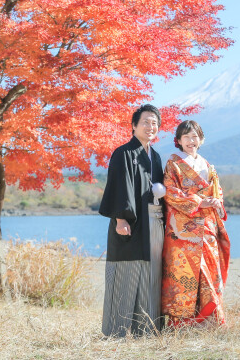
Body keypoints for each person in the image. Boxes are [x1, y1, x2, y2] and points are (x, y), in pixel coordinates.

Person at [98, 104, 166, 337]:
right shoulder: (123, 153)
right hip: (130, 223)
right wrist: (120, 219)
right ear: (134, 125)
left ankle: (145, 331)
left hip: (153, 223)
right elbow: (119, 188)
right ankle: (115, 331)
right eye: (145, 122)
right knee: (125, 273)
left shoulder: (155, 156)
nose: (150, 126)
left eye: (154, 123)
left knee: (150, 274)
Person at [161, 120, 230, 327]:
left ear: (201, 139)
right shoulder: (173, 164)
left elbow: (217, 192)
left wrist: (215, 202)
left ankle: (208, 321)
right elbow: (170, 192)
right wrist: (199, 201)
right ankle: (181, 324)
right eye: (186, 137)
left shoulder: (207, 166)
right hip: (183, 230)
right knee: (184, 275)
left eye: (195, 137)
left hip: (207, 225)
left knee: (209, 271)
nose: (191, 141)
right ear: (178, 140)